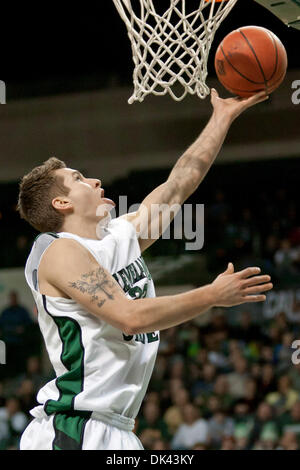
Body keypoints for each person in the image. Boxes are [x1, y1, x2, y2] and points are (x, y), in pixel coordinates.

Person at [17, 89, 272, 450]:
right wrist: (211, 295)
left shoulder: (120, 236)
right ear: (61, 203)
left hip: (117, 429)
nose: (93, 181)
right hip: (75, 428)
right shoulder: (57, 251)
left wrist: (222, 116)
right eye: (78, 179)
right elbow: (129, 317)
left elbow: (179, 184)